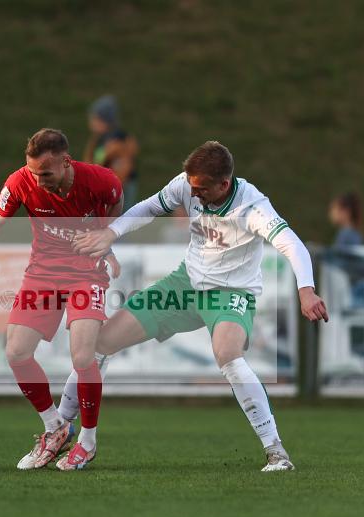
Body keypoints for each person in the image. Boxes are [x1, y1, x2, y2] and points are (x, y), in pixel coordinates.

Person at [67, 141, 329, 472]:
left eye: (202, 189)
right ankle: (69, 431)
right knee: (100, 342)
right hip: (185, 284)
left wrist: (307, 291)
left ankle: (276, 451)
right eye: (192, 188)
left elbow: (292, 244)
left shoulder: (253, 208)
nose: (195, 195)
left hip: (230, 292)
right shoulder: (188, 184)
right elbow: (149, 207)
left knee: (227, 354)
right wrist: (112, 233)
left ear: (224, 184)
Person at [0, 128, 123, 471]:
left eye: (46, 174)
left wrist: (107, 238)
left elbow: (116, 205)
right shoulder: (19, 182)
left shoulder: (102, 181)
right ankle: (55, 427)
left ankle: (87, 442)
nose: (39, 181)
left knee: (84, 356)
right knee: (15, 352)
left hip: (87, 273)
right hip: (42, 273)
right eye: (33, 173)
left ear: (66, 163)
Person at [83, 95, 139, 211]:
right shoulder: (99, 140)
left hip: (119, 193)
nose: (91, 121)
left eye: (95, 118)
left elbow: (122, 172)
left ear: (105, 121)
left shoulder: (118, 141)